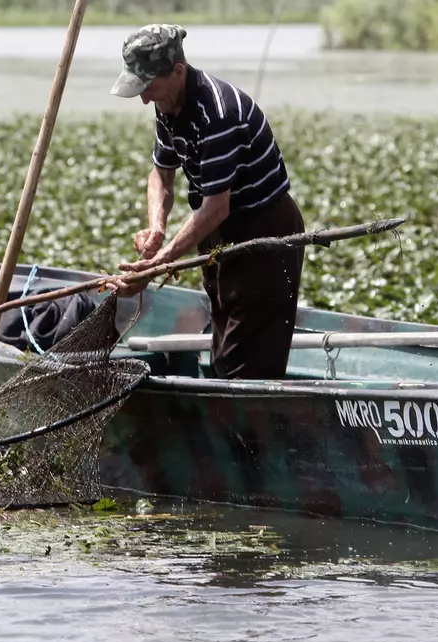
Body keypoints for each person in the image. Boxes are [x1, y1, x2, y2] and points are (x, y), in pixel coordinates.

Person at [105, 23, 306, 381]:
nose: (145, 99)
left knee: (244, 360)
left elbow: (216, 207)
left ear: (178, 72)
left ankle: (248, 431)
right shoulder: (169, 104)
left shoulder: (217, 112)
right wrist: (157, 229)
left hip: (263, 233)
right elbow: (161, 174)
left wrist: (160, 263)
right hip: (220, 234)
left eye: (148, 87)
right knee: (222, 338)